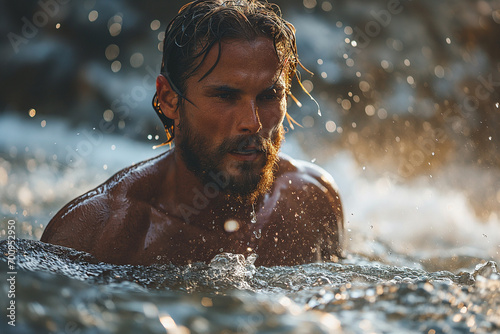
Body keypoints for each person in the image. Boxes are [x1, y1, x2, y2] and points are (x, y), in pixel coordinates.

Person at [41, 0, 344, 266]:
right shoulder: (101, 234)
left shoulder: (311, 200)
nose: (252, 122)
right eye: (226, 96)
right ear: (169, 99)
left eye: (268, 96)